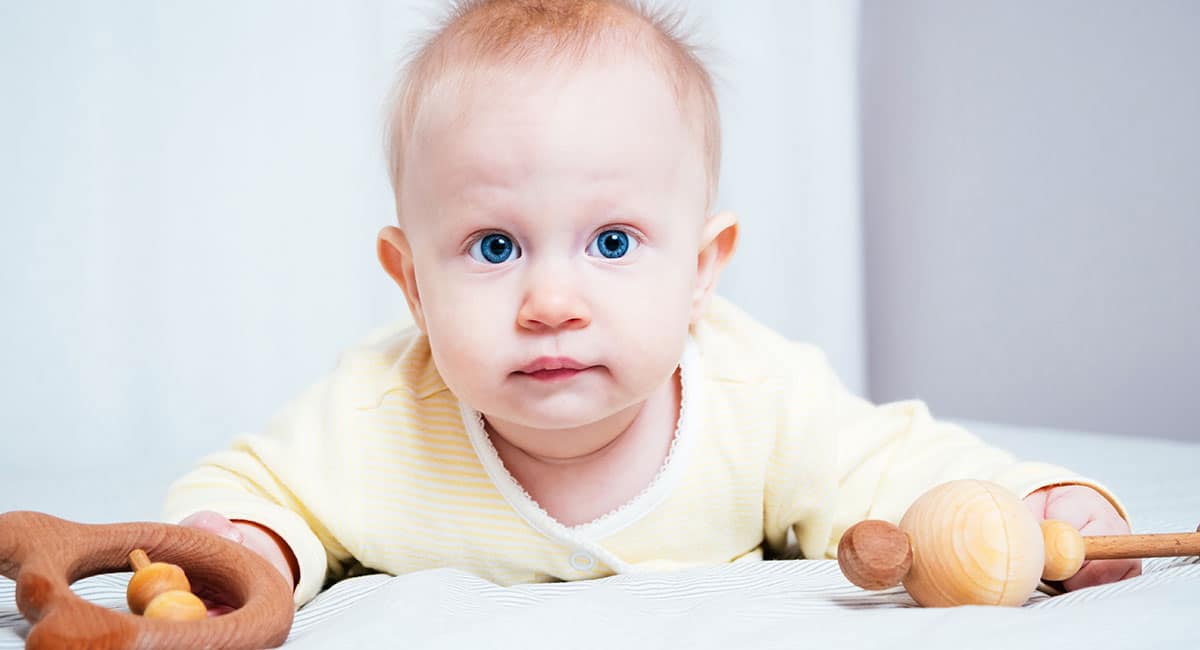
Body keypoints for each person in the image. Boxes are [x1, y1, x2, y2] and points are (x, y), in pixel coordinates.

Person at [165, 0, 1138, 610]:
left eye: (613, 242)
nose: (551, 301)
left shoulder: (758, 397)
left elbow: (896, 464)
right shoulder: (376, 416)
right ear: (412, 281)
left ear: (702, 270)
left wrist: (1033, 503)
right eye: (494, 246)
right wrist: (243, 544)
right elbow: (255, 486)